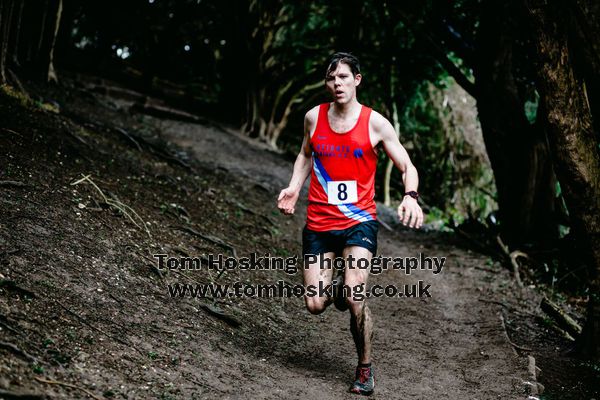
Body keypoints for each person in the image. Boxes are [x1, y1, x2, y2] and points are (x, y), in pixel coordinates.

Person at [277, 52, 423, 396]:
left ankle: (365, 367)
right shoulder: (314, 117)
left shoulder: (375, 123)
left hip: (359, 223)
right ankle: (338, 289)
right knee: (314, 303)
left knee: (355, 294)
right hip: (319, 222)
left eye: (343, 77)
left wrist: (410, 196)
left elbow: (407, 165)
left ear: (357, 79)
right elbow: (305, 154)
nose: (337, 84)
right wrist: (294, 188)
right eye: (331, 79)